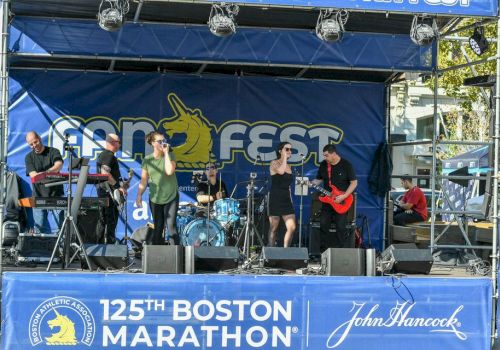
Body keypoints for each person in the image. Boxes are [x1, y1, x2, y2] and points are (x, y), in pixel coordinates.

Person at [136, 131, 179, 245]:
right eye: (160, 141)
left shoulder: (170, 155)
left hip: (171, 196)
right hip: (155, 198)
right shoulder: (147, 160)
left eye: (164, 140)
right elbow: (144, 180)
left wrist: (166, 154)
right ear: (152, 143)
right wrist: (139, 195)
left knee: (171, 226)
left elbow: (169, 171)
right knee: (158, 227)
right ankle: (157, 258)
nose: (163, 143)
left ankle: (176, 257)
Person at [311, 144, 357, 250]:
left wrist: (343, 196)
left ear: (334, 154)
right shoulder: (323, 165)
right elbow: (319, 179)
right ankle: (323, 252)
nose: (325, 158)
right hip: (328, 201)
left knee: (341, 227)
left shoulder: (346, 165)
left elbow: (354, 183)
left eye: (326, 155)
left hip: (341, 201)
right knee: (323, 224)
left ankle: (340, 252)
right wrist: (311, 183)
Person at [25, 131, 64, 234]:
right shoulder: (29, 157)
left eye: (35, 142)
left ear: (40, 138)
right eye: (31, 144)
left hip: (56, 194)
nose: (34, 145)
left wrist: (46, 173)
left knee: (62, 227)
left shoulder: (53, 151)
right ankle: (40, 249)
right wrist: (47, 174)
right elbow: (33, 175)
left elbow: (59, 165)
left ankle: (62, 249)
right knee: (40, 227)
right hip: (38, 196)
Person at [96, 133, 127, 244]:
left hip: (106, 193)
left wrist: (122, 185)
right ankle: (108, 250)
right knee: (109, 222)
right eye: (119, 142)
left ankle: (101, 249)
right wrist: (118, 186)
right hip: (107, 194)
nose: (120, 144)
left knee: (105, 221)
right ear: (113, 143)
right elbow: (105, 173)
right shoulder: (108, 155)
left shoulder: (105, 155)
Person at [268, 142, 296, 247]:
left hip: (286, 198)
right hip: (276, 197)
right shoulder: (274, 163)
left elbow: (288, 185)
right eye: (287, 149)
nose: (289, 151)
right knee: (273, 227)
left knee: (291, 227)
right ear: (280, 151)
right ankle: (270, 252)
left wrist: (291, 200)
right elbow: (280, 171)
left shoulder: (290, 166)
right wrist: (284, 157)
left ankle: (286, 252)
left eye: (290, 149)